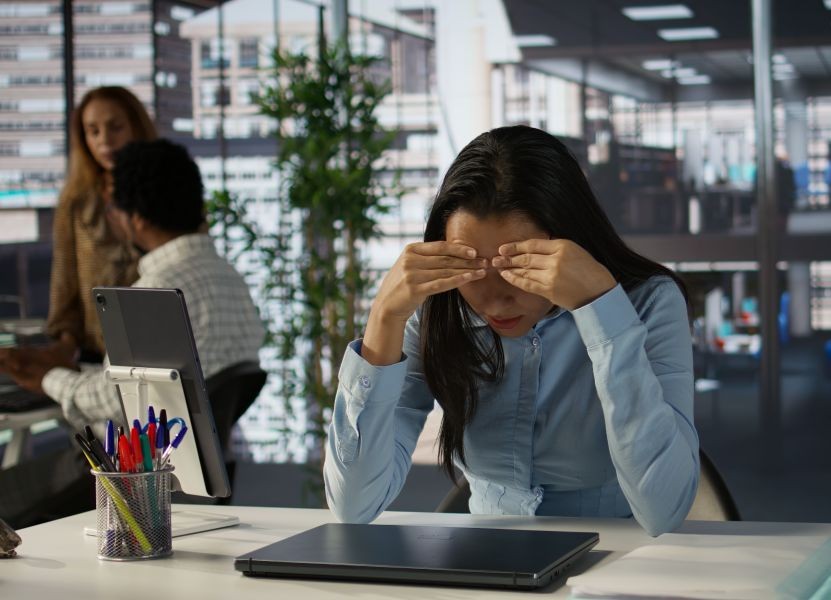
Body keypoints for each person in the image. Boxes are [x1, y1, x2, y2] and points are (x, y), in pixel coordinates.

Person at [324, 125, 699, 537]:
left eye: (518, 268)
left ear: (568, 245)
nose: (494, 301)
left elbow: (664, 512)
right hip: (485, 565)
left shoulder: (649, 302)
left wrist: (602, 310)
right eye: (472, 268)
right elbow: (353, 506)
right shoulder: (437, 309)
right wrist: (383, 319)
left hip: (616, 564)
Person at [0, 139, 264, 528]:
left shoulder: (156, 292)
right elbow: (155, 381)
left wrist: (46, 378)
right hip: (184, 478)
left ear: (134, 218)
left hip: (130, 480)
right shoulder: (230, 277)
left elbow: (115, 401)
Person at [48, 86, 156, 363]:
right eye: (92, 131)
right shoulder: (76, 202)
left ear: (136, 127)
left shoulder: (167, 192)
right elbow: (65, 285)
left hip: (157, 347)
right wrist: (63, 348)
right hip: (95, 355)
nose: (104, 140)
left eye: (116, 127)